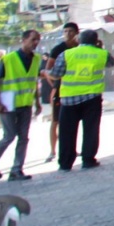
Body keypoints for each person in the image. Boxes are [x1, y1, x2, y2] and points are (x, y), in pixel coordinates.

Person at [49, 29, 114, 171]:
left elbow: (55, 75)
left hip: (68, 99)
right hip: (92, 98)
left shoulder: (66, 54)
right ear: (96, 41)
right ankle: (88, 160)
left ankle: (65, 163)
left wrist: (45, 73)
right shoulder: (102, 54)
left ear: (78, 40)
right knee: (91, 129)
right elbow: (111, 63)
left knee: (67, 132)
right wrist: (99, 47)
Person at [0, 30, 43, 181]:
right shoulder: (8, 59)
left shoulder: (36, 59)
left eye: (38, 40)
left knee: (23, 137)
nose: (36, 43)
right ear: (23, 40)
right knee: (9, 135)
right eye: (33, 39)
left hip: (25, 103)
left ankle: (16, 170)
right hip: (7, 103)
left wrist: (37, 102)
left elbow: (33, 81)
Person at [45, 22, 79, 162]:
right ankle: (53, 151)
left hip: (76, 90)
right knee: (56, 121)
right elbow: (48, 70)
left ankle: (71, 149)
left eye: (71, 31)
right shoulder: (58, 49)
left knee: (72, 123)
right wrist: (54, 86)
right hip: (60, 91)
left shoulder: (80, 48)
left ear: (77, 32)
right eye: (65, 31)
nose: (68, 34)